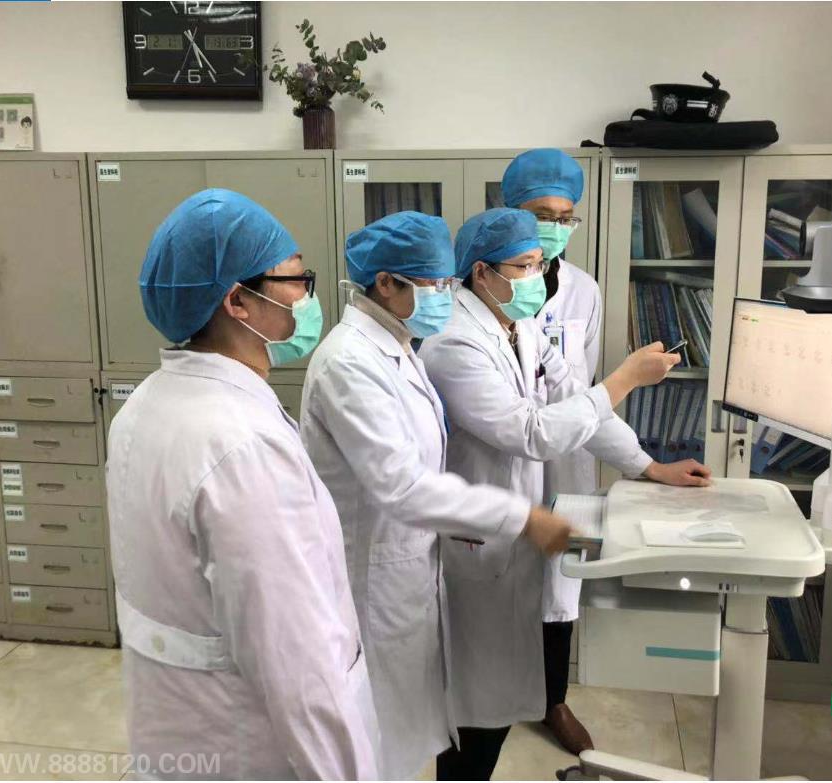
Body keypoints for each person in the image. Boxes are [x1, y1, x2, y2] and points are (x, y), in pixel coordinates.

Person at [418, 208, 712, 780]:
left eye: (540, 264)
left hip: (512, 532)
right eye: (525, 266)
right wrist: (625, 378)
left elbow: (574, 398)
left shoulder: (518, 325)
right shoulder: (454, 343)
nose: (539, 276)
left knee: (499, 693)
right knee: (477, 704)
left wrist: (649, 465)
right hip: (477, 539)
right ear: (481, 272)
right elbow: (531, 433)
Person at [107, 189, 379, 780]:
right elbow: (295, 660)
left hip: (179, 731)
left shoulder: (143, 407)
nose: (308, 295)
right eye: (296, 278)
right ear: (238, 302)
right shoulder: (242, 446)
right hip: (248, 745)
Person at [299, 211, 574, 780]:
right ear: (385, 283)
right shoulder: (349, 362)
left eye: (449, 281)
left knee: (414, 730)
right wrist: (520, 516)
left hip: (412, 569)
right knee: (376, 744)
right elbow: (402, 485)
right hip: (372, 582)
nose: (447, 295)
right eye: (435, 283)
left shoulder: (397, 347)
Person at [502, 147, 603, 752]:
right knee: (497, 575)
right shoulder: (480, 284)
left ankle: (552, 701)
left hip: (565, 456)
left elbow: (584, 386)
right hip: (501, 452)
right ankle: (498, 691)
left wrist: (646, 462)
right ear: (512, 211)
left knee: (561, 581)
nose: (556, 228)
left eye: (567, 218)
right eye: (543, 215)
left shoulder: (584, 291)